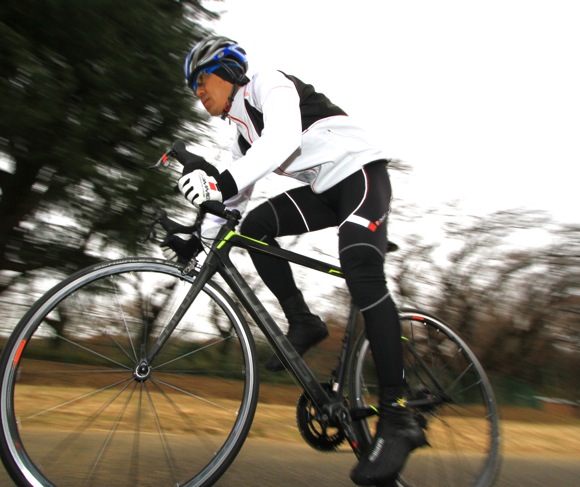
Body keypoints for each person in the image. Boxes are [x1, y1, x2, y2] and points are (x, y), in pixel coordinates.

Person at [166, 35, 426, 486]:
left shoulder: (270, 84)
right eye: (192, 88)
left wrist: (219, 184)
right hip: (325, 190)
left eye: (202, 80)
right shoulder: (241, 136)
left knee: (360, 266)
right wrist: (197, 238)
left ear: (227, 71)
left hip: (361, 173)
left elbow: (282, 139)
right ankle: (304, 321)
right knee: (252, 228)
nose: (198, 92)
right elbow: (233, 203)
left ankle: (398, 415)